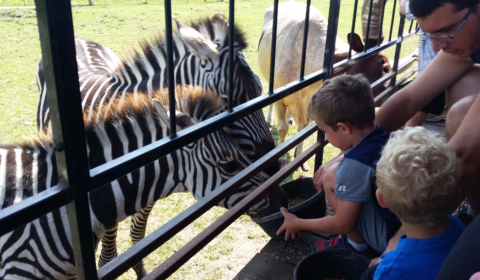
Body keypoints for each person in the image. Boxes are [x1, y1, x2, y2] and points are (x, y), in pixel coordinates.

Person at [370, 0, 480, 277]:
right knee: (464, 86)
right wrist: (357, 148)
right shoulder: (465, 33)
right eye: (430, 35)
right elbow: (410, 96)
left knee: (461, 114)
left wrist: (400, 240)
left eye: (446, 31)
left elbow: (464, 155)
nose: (435, 47)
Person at [276, 74, 401, 257]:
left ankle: (356, 245)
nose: (325, 137)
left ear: (344, 128)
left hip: (387, 240)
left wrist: (298, 222)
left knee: (331, 177)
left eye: (324, 131)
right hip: (402, 228)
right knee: (333, 175)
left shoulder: (354, 165)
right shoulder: (381, 135)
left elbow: (343, 224)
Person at [362, 126, 465, 280]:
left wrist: (385, 264)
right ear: (457, 196)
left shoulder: (390, 271)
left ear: (381, 199)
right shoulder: (459, 227)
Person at [400, 0, 447, 127]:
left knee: (422, 101)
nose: (437, 46)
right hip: (432, 65)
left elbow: (404, 8)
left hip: (433, 67)